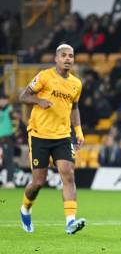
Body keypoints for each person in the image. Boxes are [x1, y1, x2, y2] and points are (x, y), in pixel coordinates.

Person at [18, 44, 86, 234]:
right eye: (63, 55)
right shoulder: (44, 76)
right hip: (39, 134)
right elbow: (23, 96)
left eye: (71, 56)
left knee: (68, 174)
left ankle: (70, 222)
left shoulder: (76, 83)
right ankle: (25, 209)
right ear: (56, 58)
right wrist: (38, 101)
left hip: (62, 136)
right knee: (38, 182)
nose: (67, 59)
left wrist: (78, 132)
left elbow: (75, 108)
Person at [0, 94, 16, 188]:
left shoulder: (9, 109)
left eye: (4, 100)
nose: (3, 101)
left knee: (8, 159)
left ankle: (10, 181)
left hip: (7, 139)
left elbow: (14, 115)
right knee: (2, 161)